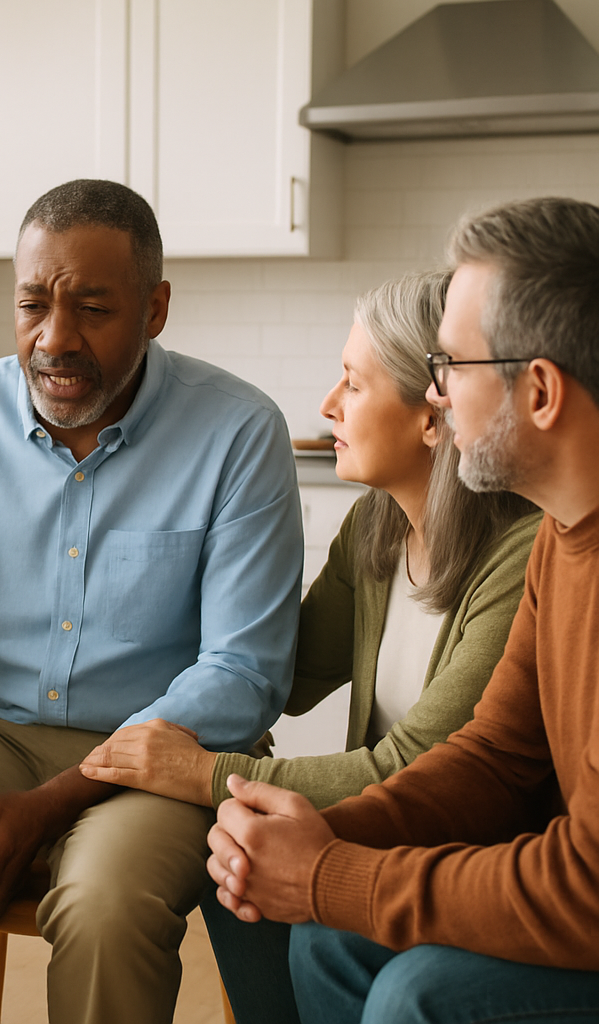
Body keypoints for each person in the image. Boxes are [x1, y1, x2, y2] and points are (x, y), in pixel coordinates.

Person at [0, 178, 304, 1024]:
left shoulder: (237, 432)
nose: (54, 338)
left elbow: (244, 672)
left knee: (103, 902)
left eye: (92, 309)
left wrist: (62, 795)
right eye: (33, 303)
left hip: (163, 758)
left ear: (154, 310)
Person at [79, 270, 540, 1023]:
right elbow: (275, 672)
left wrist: (205, 772)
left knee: (238, 829)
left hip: (461, 853)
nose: (327, 405)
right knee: (232, 847)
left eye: (353, 385)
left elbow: (412, 765)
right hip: (388, 833)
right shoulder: (376, 529)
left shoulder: (519, 559)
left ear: (433, 418)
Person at [206, 196, 599, 1024]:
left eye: (452, 366)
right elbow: (493, 755)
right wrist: (318, 837)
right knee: (325, 940)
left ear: (539, 392)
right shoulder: (565, 539)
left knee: (415, 997)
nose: (439, 393)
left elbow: (585, 885)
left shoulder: (538, 545)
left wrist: (328, 873)